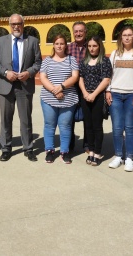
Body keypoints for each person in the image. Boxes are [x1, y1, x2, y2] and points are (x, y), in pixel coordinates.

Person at [0, 13, 42, 162]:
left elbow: (38, 62)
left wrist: (29, 72)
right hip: (6, 85)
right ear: (10, 25)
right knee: (5, 120)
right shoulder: (1, 41)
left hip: (25, 85)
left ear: (23, 24)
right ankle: (6, 148)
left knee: (26, 119)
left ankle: (28, 148)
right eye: (13, 24)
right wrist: (6, 73)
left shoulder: (32, 41)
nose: (16, 26)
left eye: (18, 23)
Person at [105, 26, 133, 172]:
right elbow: (108, 73)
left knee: (130, 127)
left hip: (132, 95)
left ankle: (129, 158)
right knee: (117, 128)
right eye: (124, 35)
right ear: (121, 38)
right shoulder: (115, 53)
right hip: (115, 94)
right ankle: (118, 156)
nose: (127, 38)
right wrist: (108, 89)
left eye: (130, 35)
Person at [39, 34, 79, 164]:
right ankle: (49, 150)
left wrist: (61, 87)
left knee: (65, 126)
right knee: (49, 125)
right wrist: (54, 91)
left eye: (62, 43)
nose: (59, 46)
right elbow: (43, 77)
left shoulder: (71, 59)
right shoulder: (47, 60)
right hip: (49, 98)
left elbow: (75, 77)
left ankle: (64, 151)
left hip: (68, 98)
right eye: (57, 44)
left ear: (65, 45)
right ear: (53, 45)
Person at [78, 35, 112, 166]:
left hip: (98, 97)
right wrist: (86, 93)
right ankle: (90, 151)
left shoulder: (104, 61)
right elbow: (80, 78)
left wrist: (94, 94)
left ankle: (97, 152)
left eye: (95, 46)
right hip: (85, 97)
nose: (92, 49)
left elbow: (106, 79)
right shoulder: (84, 61)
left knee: (97, 126)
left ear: (99, 47)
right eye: (90, 46)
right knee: (88, 126)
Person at [68, 21, 87, 152]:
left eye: (81, 31)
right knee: (69, 117)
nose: (78, 33)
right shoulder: (68, 48)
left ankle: (87, 145)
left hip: (88, 88)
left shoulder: (92, 46)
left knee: (88, 117)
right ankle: (70, 145)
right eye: (76, 31)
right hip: (71, 87)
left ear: (85, 32)